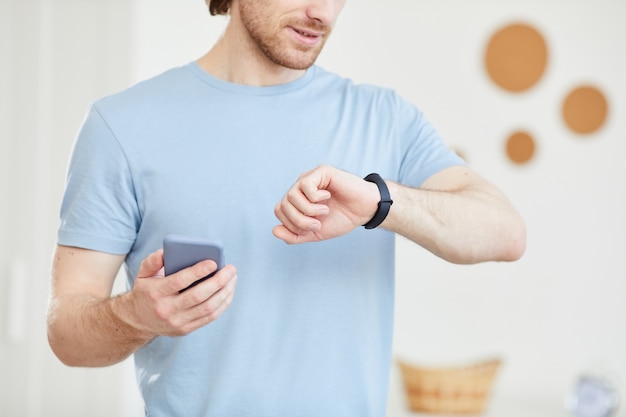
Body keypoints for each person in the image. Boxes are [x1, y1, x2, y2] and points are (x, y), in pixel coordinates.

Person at [47, 0, 526, 416]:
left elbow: (505, 234)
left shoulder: (385, 118)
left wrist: (382, 202)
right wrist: (135, 316)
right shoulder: (122, 126)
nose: (323, 13)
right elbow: (65, 332)